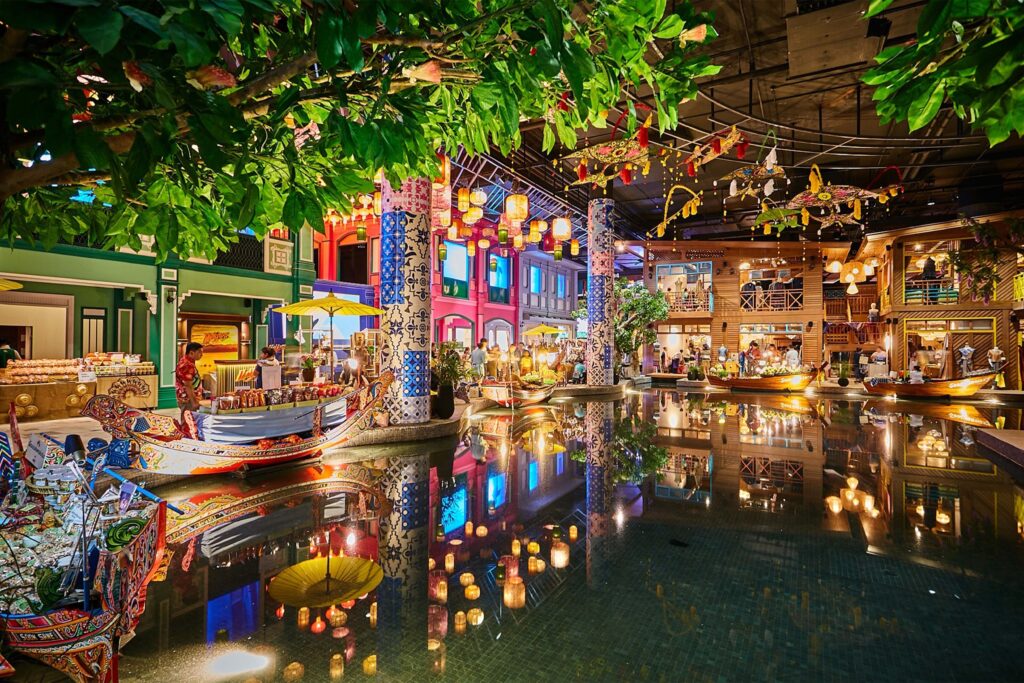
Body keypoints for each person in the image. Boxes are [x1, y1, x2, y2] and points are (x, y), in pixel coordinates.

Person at [175, 342, 204, 421]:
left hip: (186, 397)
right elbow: (188, 385)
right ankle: (186, 433)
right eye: (199, 352)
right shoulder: (187, 365)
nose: (202, 354)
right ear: (191, 352)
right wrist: (194, 401)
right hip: (187, 398)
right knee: (188, 420)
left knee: (187, 418)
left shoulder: (185, 361)